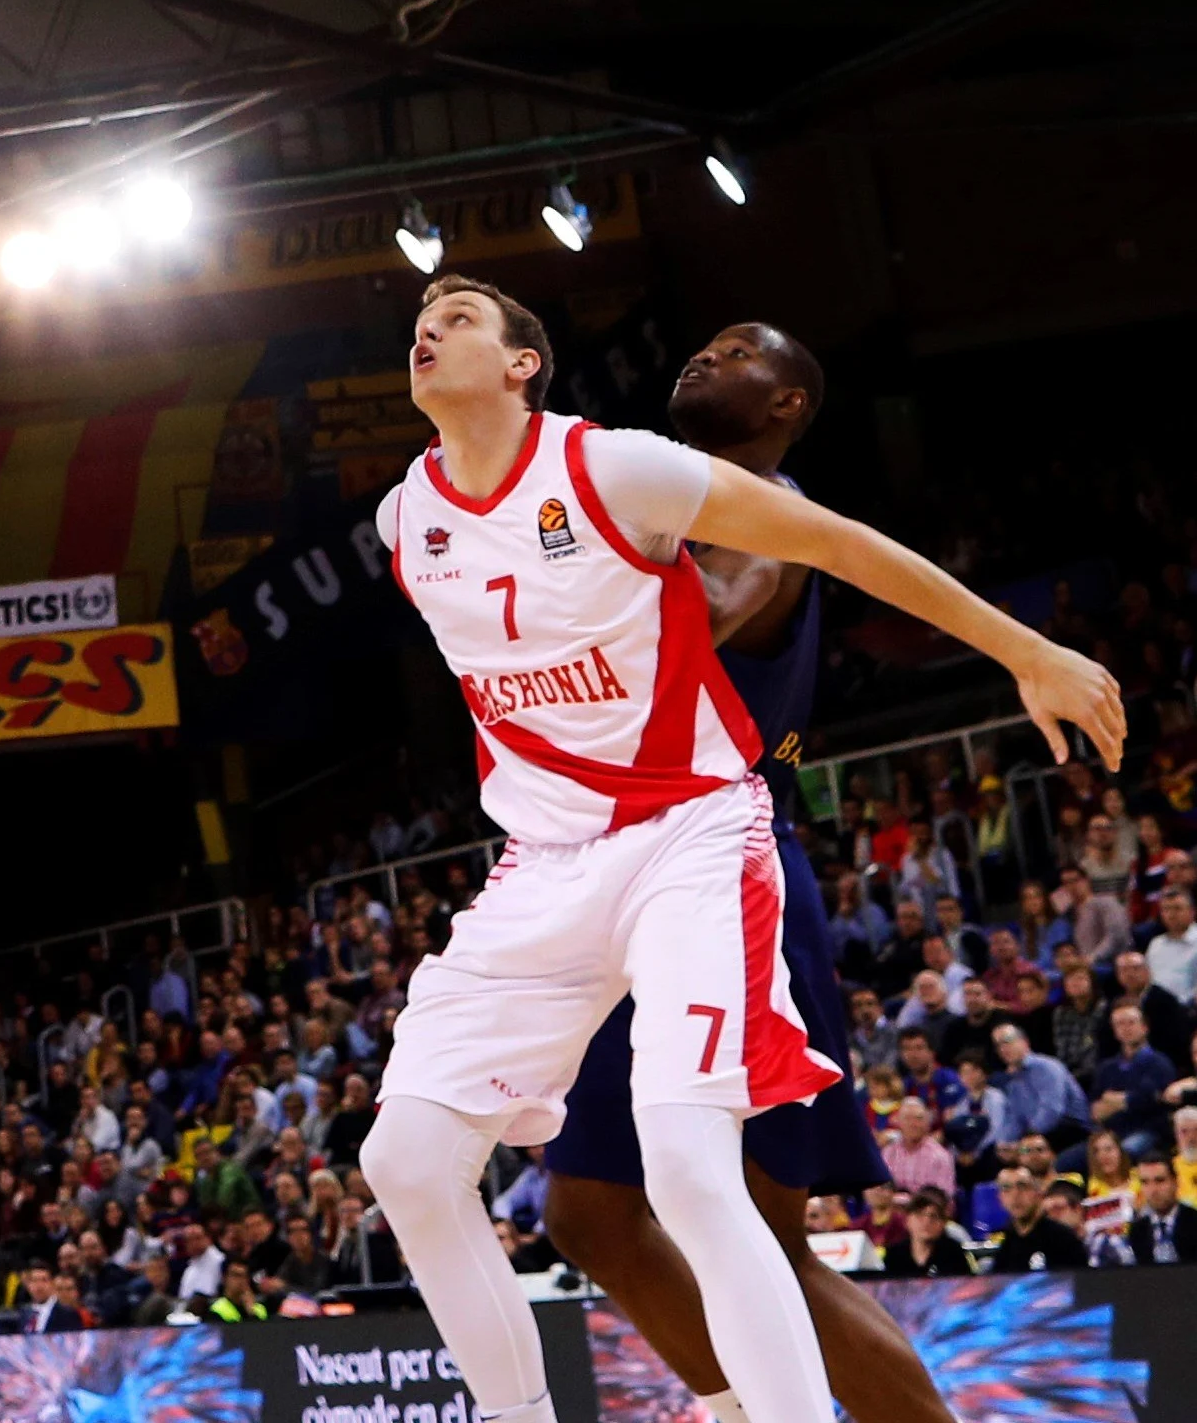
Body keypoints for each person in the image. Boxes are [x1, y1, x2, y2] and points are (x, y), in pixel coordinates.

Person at [349, 274, 1123, 1423]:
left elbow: (827, 545)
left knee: (704, 1182)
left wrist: (1027, 651)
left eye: (462, 315)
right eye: (424, 316)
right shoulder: (407, 519)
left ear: (524, 364)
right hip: (548, 859)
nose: (430, 323)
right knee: (425, 1168)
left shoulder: (632, 474)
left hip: (697, 837)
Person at [531, 326, 951, 1423]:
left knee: (764, 1235)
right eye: (706, 346)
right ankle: (752, 1411)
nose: (703, 359)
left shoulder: (767, 515)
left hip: (725, 866)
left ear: (787, 405)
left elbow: (683, 631)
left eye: (738, 352)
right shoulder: (676, 500)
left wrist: (531, 578)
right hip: (620, 867)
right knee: (587, 1215)